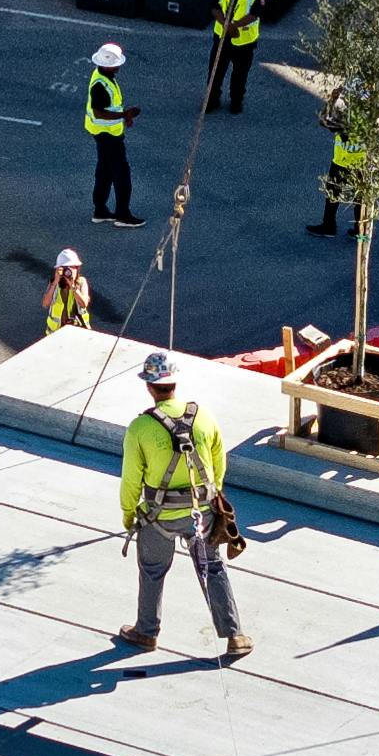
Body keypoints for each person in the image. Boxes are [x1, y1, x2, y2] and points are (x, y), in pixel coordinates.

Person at [117, 352, 249, 659]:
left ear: (149, 386)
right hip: (200, 514)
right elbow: (218, 462)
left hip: (157, 516)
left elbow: (131, 480)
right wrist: (212, 497)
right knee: (213, 568)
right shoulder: (203, 416)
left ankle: (146, 633)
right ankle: (234, 635)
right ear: (174, 382)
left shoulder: (140, 428)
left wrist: (128, 515)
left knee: (152, 571)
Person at [85, 42, 144, 227]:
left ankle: (100, 210)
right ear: (108, 64)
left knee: (104, 170)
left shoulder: (102, 76)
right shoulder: (101, 85)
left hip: (103, 132)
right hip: (108, 135)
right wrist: (124, 115)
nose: (119, 65)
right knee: (121, 174)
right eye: (117, 63)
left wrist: (123, 116)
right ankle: (122, 215)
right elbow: (99, 112)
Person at [207, 0, 267, 115]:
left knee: (240, 76)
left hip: (245, 42)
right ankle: (211, 101)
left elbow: (254, 14)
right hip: (222, 38)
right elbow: (214, 7)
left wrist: (235, 26)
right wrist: (226, 25)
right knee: (215, 72)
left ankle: (236, 101)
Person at [310, 88, 364, 236]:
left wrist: (332, 100)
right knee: (359, 197)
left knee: (333, 194)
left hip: (343, 161)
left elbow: (324, 121)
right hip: (361, 163)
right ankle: (361, 230)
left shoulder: (347, 121)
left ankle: (329, 226)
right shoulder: (366, 118)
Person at [45, 247, 92, 333]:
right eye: (66, 268)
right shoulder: (54, 283)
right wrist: (55, 282)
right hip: (56, 332)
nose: (69, 271)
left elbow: (83, 304)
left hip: (78, 330)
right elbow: (45, 303)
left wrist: (72, 285)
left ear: (77, 268)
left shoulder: (81, 282)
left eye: (72, 267)